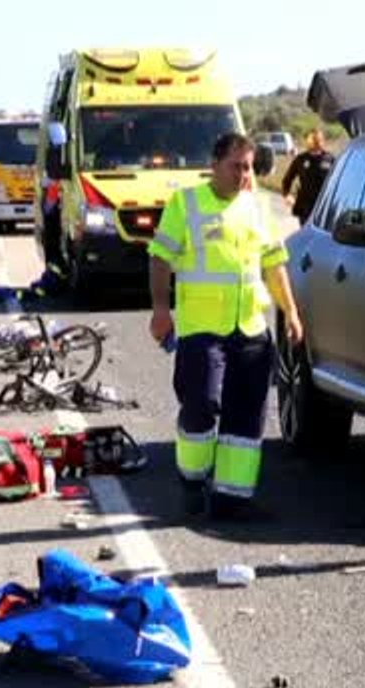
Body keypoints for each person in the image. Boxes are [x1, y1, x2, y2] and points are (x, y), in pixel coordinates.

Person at [148, 132, 305, 519]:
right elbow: (159, 257)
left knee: (248, 415)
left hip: (250, 328)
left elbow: (273, 263)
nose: (242, 174)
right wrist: (160, 309)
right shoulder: (186, 205)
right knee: (202, 404)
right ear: (214, 165)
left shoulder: (256, 208)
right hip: (204, 329)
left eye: (248, 167)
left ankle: (233, 498)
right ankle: (192, 479)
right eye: (236, 166)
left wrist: (292, 312)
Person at [281, 128, 335, 226]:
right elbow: (287, 179)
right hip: (305, 207)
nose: (316, 142)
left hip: (324, 206)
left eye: (318, 139)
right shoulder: (300, 159)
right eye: (313, 139)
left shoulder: (330, 159)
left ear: (322, 141)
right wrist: (287, 194)